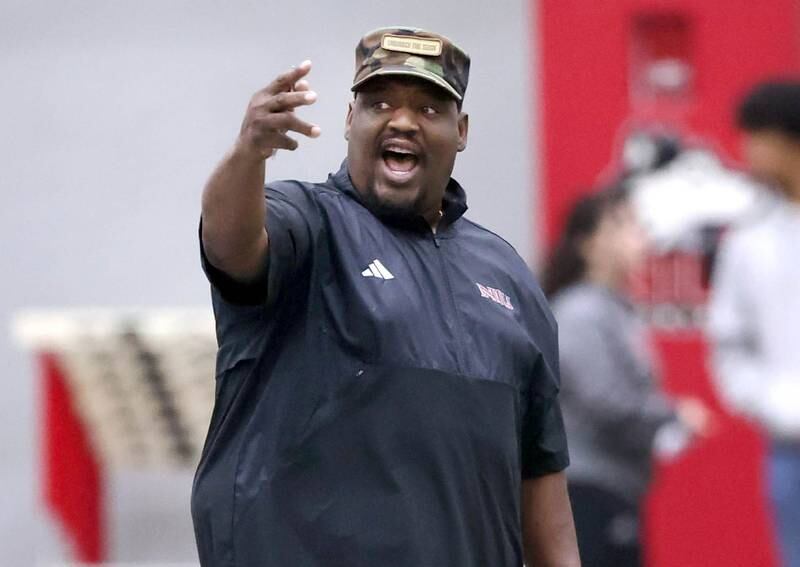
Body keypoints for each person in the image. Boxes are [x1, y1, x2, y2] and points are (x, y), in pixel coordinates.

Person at [192, 27, 580, 566]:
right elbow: (230, 243)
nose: (402, 121)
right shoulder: (310, 223)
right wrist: (248, 153)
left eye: (428, 108)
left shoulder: (508, 276)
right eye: (379, 103)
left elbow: (540, 469)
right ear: (351, 121)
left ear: (460, 131)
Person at [543, 187, 711, 567]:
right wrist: (672, 415)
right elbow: (602, 399)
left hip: (618, 487)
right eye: (623, 224)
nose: (640, 237)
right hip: (585, 491)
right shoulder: (579, 311)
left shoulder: (617, 310)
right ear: (588, 242)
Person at [708, 80, 800, 567]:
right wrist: (768, 402)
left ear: (787, 142)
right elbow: (728, 341)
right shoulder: (748, 238)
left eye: (756, 138)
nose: (746, 152)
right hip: (789, 447)